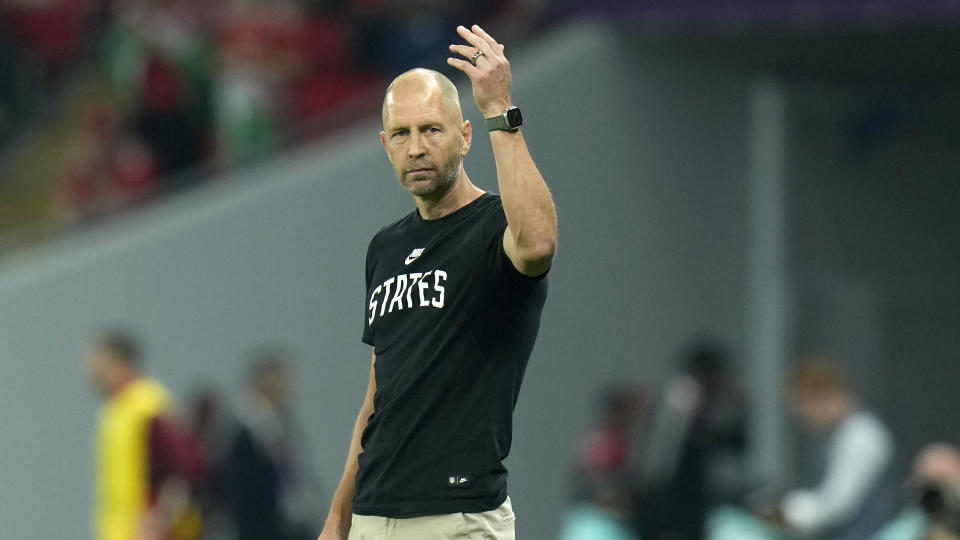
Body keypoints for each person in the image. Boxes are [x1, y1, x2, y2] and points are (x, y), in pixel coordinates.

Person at [316, 24, 558, 540]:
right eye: (401, 134)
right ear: (385, 146)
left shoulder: (497, 226)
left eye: (432, 129)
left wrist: (501, 111)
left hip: (458, 517)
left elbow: (537, 243)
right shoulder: (385, 247)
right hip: (373, 516)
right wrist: (339, 516)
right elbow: (380, 392)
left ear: (466, 135)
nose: (416, 147)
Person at [84, 330, 206, 540]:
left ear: (114, 359)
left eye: (94, 357)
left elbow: (188, 469)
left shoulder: (147, 405)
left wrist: (161, 519)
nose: (88, 365)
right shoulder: (118, 408)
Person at [776, 358, 895, 539]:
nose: (803, 420)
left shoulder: (861, 436)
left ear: (826, 396)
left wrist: (785, 513)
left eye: (804, 410)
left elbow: (837, 505)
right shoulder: (839, 435)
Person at [224, 348, 321, 540]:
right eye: (282, 378)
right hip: (264, 531)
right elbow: (241, 495)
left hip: (294, 527)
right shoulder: (247, 434)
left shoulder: (286, 427)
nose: (289, 386)